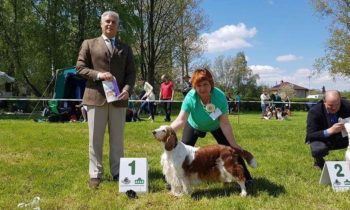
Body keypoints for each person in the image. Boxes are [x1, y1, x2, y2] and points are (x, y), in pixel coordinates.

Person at [76, 11, 136, 188]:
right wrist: (99, 75)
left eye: (114, 22)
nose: (110, 24)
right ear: (101, 25)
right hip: (95, 98)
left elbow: (131, 73)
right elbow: (79, 68)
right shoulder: (89, 44)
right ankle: (95, 174)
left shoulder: (126, 48)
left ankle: (118, 172)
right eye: (107, 22)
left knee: (118, 139)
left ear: (118, 26)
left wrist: (127, 89)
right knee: (95, 139)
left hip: (119, 99)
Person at [170, 68, 253, 182]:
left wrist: (234, 144)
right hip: (194, 125)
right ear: (194, 86)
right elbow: (180, 120)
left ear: (211, 84)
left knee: (231, 150)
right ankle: (178, 180)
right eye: (199, 85)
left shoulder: (219, 97)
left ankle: (247, 179)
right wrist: (166, 131)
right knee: (182, 153)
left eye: (205, 84)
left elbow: (224, 123)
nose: (203, 88)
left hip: (216, 126)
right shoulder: (190, 97)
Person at [306, 90, 350, 169]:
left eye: (337, 104)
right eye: (330, 105)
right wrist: (330, 131)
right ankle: (318, 161)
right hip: (324, 139)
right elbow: (310, 136)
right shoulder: (315, 111)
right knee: (318, 149)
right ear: (324, 102)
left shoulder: (347, 105)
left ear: (340, 100)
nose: (334, 108)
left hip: (343, 137)